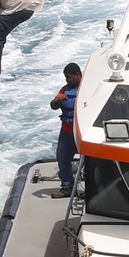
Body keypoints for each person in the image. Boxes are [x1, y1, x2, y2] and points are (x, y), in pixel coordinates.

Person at [50, 63, 82, 194]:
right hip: (67, 132)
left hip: (82, 133)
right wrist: (58, 101)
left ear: (77, 75)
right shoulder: (64, 89)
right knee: (62, 158)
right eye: (65, 77)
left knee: (92, 161)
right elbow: (53, 105)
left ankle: (92, 188)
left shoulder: (87, 88)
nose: (67, 80)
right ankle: (67, 185)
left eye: (69, 77)